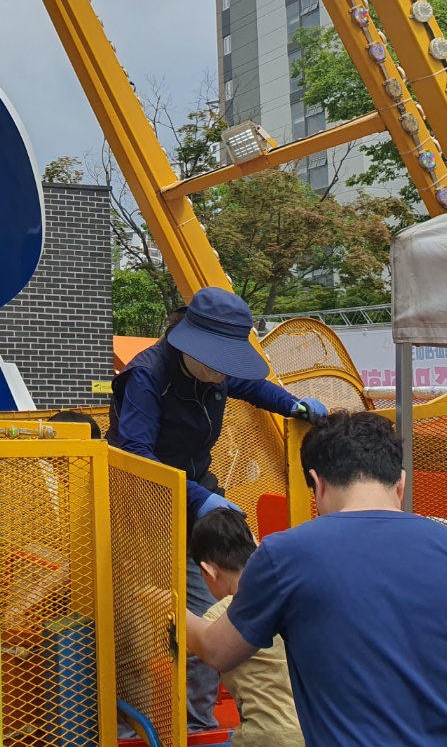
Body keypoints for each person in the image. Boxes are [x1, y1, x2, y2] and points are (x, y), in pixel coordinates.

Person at [187, 411, 447, 747]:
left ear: (317, 483)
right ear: (400, 483)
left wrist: (168, 604)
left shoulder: (285, 555)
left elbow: (219, 651)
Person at [108, 286, 326, 732]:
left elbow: (253, 386)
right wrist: (198, 497)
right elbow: (134, 452)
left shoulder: (218, 372)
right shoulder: (146, 376)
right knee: (135, 619)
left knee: (213, 610)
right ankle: (130, 727)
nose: (222, 374)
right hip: (140, 502)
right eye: (216, 363)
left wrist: (292, 404)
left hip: (196, 498)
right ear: (189, 346)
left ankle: (196, 722)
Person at [189, 510, 303, 747]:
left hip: (267, 735)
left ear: (209, 571)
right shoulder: (284, 595)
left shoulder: (223, 613)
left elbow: (190, 644)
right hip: (312, 729)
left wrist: (156, 600)